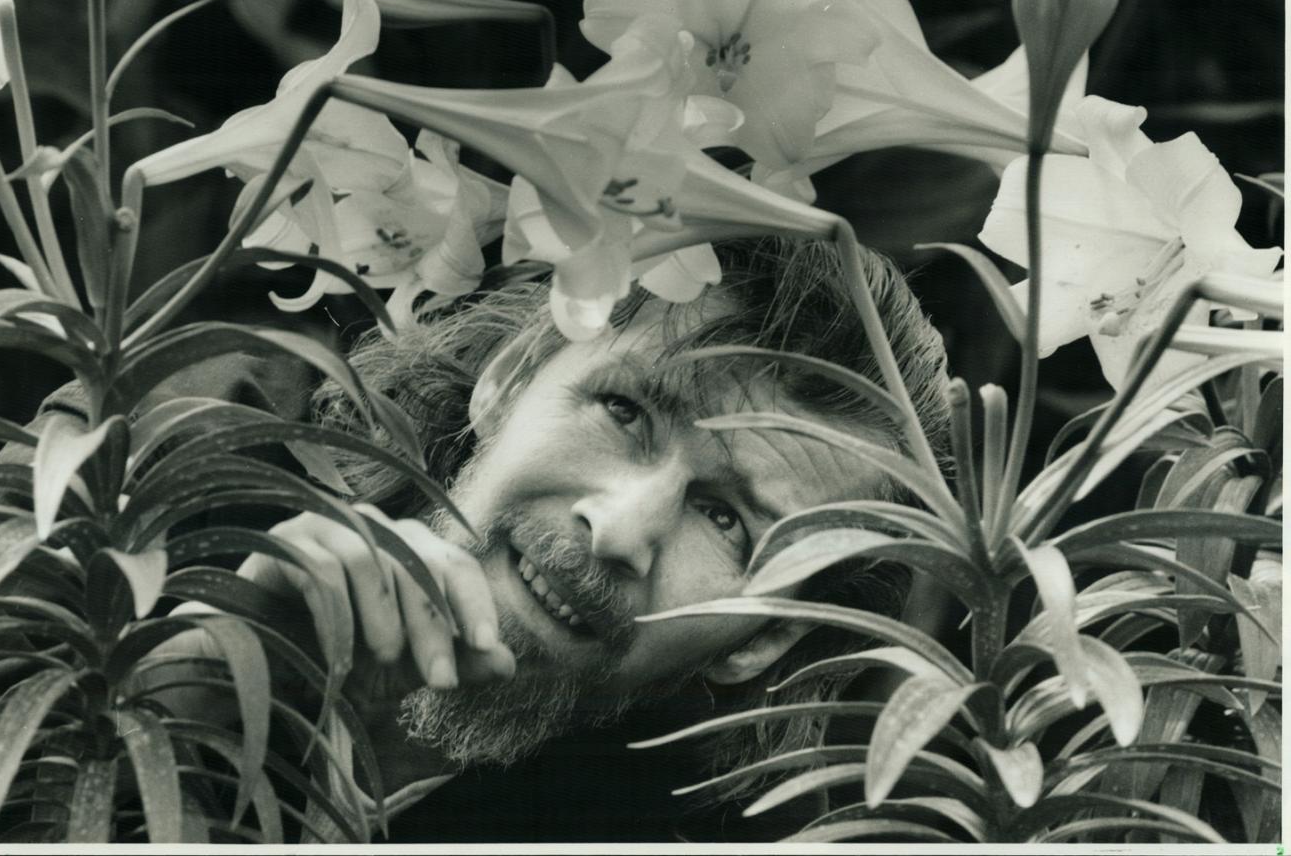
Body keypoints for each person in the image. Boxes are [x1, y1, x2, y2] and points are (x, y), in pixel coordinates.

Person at [152, 236, 953, 841]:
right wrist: (207, 670)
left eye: (724, 519)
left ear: (765, 637)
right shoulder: (199, 434)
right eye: (623, 412)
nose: (618, 529)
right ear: (507, 379)